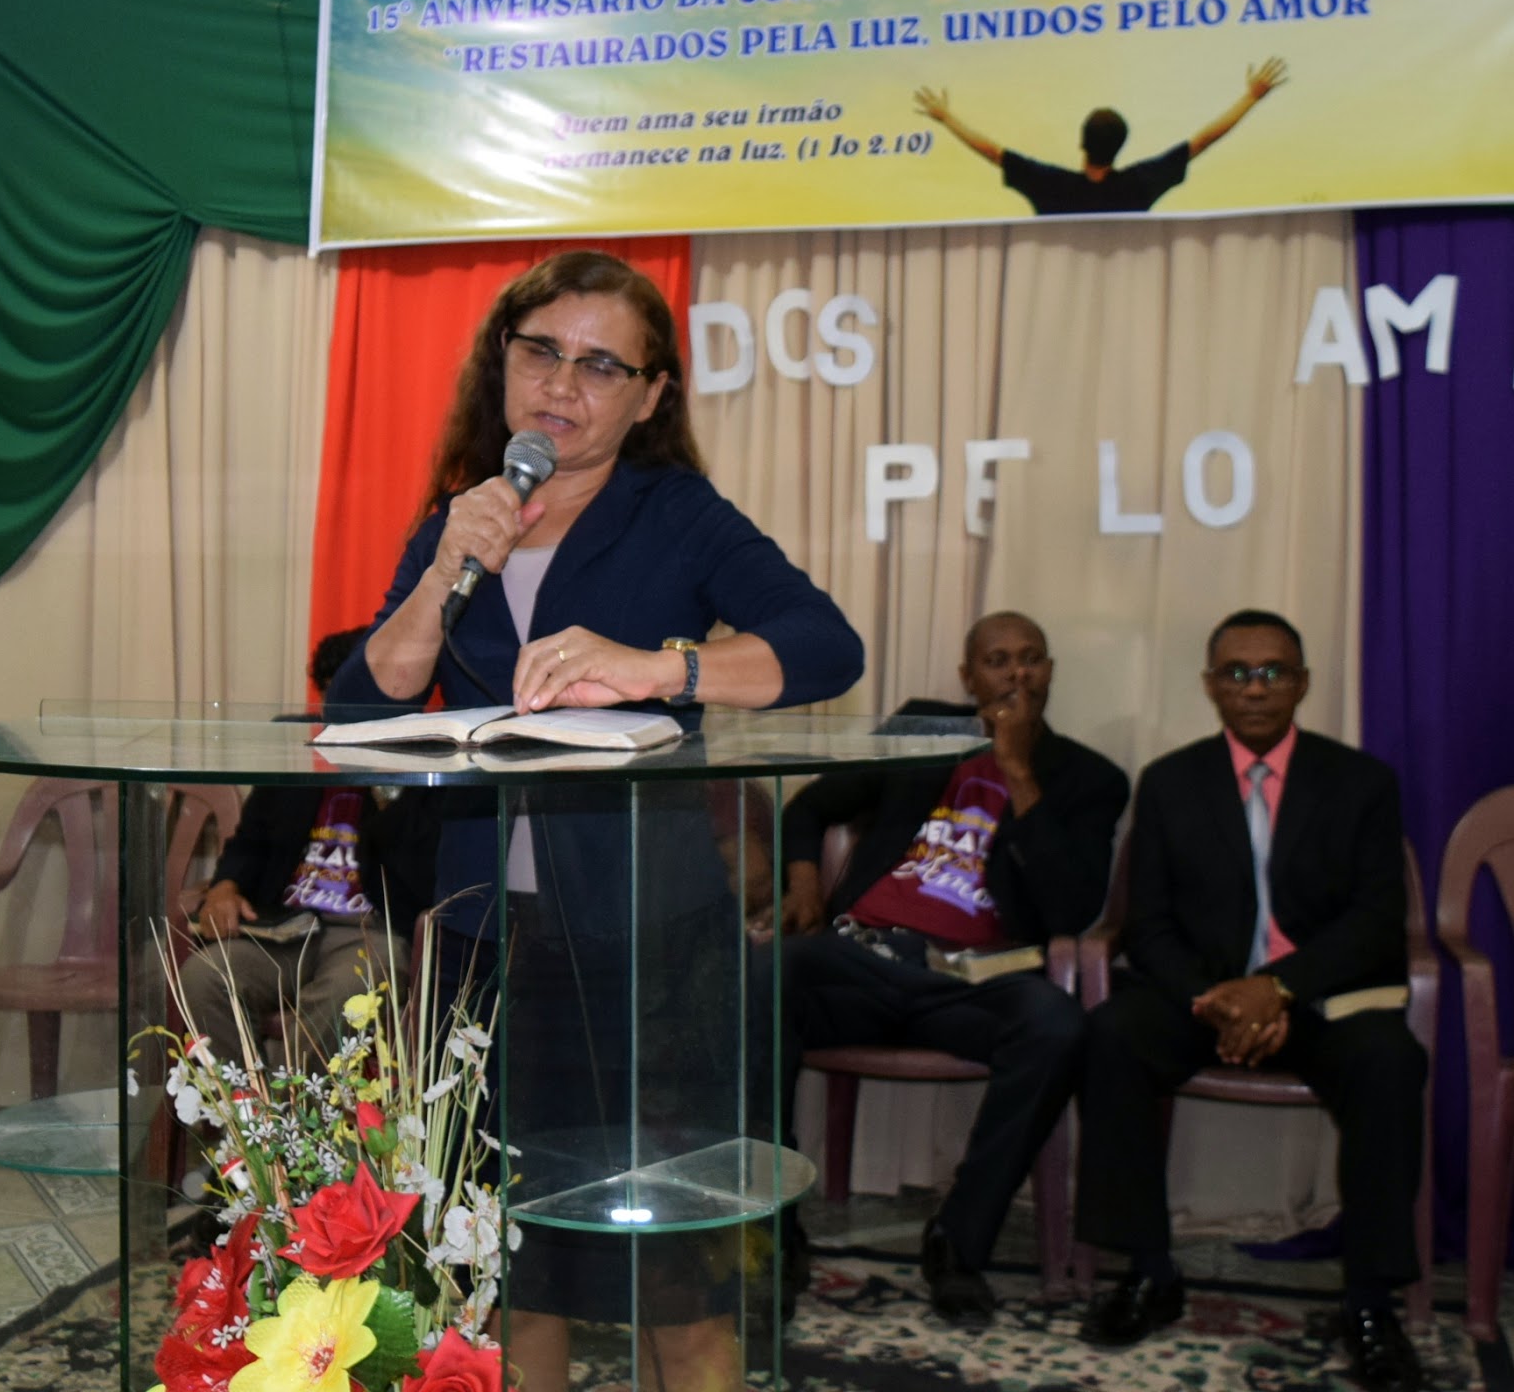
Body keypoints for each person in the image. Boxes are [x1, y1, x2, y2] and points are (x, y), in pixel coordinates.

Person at [323, 249, 864, 1392]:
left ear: (650, 394)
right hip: (480, 942)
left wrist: (661, 667)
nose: (561, 384)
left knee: (677, 1284)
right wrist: (443, 566)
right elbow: (363, 710)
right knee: (507, 1271)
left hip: (647, 950)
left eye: (600, 364)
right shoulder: (463, 516)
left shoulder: (675, 516)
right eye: (542, 352)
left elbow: (825, 646)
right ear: (503, 362)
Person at [1075, 610, 1425, 1392]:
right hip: (1204, 1000)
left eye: (1273, 672)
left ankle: (1370, 1303)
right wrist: (1220, 1001)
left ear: (1301, 683)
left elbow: (1375, 920)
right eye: (1236, 673)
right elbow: (1147, 925)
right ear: (1211, 686)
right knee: (1111, 1033)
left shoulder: (1362, 782)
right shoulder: (1169, 782)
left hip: (1319, 1002)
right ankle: (1148, 1271)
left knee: (1389, 1060)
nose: (1255, 688)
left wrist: (1278, 989)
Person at [773, 612, 1128, 1325]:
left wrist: (1018, 770)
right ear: (969, 677)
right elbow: (809, 807)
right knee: (760, 977)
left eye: (1031, 658)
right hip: (863, 960)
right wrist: (805, 882)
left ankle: (958, 1244)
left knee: (1057, 1027)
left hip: (976, 982)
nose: (1017, 673)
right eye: (998, 660)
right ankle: (774, 1230)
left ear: (1049, 672)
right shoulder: (922, 730)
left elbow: (1069, 907)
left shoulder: (1090, 778)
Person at [178, 627, 438, 1069]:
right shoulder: (298, 754)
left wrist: (385, 785)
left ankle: (302, 1113)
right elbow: (250, 839)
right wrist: (225, 886)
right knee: (204, 979)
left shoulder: (426, 760)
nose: (347, 717)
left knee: (344, 996)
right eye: (336, 703)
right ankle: (243, 1110)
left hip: (369, 933)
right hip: (286, 927)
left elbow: (422, 877)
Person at [913, 57, 1287, 215]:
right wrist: (1250, 98)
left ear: (1081, 143)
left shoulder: (1053, 186)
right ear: (1120, 147)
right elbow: (1201, 142)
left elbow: (993, 152)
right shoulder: (1138, 185)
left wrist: (946, 118)